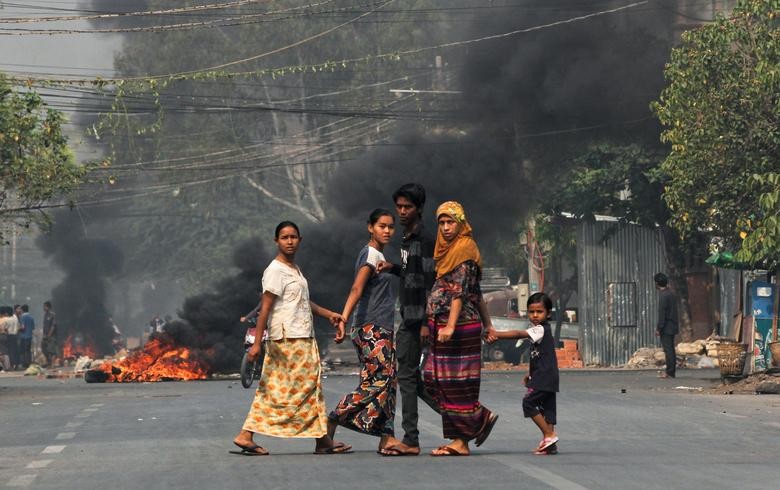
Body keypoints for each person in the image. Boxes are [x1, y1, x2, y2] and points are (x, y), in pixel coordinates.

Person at [232, 221, 351, 456]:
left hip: (302, 337)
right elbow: (265, 308)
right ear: (276, 241)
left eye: (293, 237)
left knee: (310, 388)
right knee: (280, 390)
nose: (289, 241)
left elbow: (303, 302)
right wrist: (257, 343)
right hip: (288, 340)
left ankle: (322, 440)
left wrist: (329, 314)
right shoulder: (275, 270)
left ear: (300, 240)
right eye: (284, 237)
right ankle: (246, 434)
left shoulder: (294, 269)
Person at [424, 201, 498, 456]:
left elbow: (460, 292)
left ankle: (462, 440)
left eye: (450, 222)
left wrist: (451, 325)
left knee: (456, 383)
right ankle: (476, 420)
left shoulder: (465, 249)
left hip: (458, 327)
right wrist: (489, 324)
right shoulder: (447, 251)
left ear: (460, 223)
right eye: (441, 223)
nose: (445, 228)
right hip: (443, 325)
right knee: (434, 378)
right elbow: (477, 294)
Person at [328, 209, 402, 454]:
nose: (387, 231)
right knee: (379, 380)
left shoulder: (380, 255)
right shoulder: (370, 253)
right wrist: (343, 318)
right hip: (371, 328)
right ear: (370, 227)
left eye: (391, 226)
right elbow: (356, 289)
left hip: (381, 327)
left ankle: (387, 437)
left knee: (388, 381)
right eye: (382, 226)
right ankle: (333, 418)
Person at [376, 183, 439, 456]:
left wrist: (425, 321)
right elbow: (411, 272)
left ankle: (411, 439)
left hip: (417, 318)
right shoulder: (408, 237)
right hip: (410, 314)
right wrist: (393, 268)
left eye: (407, 207)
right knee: (409, 377)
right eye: (399, 206)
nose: (401, 212)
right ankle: (469, 418)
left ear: (419, 209)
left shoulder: (424, 238)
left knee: (407, 376)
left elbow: (429, 281)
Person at [488, 292, 560, 455]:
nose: (534, 315)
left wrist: (496, 334)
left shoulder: (541, 329)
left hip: (544, 375)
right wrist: (530, 375)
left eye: (539, 312)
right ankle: (550, 444)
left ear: (548, 313)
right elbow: (538, 357)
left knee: (528, 403)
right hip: (548, 375)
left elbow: (518, 334)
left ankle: (549, 435)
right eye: (531, 312)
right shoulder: (540, 330)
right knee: (547, 408)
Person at [654, 272, 679, 379]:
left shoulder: (663, 296)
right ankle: (671, 371)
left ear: (657, 283)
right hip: (673, 324)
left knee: (668, 350)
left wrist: (659, 328)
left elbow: (662, 314)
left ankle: (670, 372)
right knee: (671, 350)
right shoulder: (671, 294)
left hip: (666, 326)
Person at [42, 301, 58, 368]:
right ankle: (48, 363)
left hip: (51, 336)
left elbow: (53, 326)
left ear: (48, 307)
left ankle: (52, 364)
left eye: (44, 306)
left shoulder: (52, 315)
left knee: (52, 350)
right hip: (45, 335)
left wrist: (49, 334)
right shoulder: (45, 315)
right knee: (45, 349)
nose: (43, 308)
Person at [4, 305, 20, 370]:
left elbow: (5, 329)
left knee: (10, 351)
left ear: (7, 313)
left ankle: (12, 365)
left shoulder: (7, 320)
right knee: (15, 351)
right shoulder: (15, 318)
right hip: (15, 336)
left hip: (9, 336)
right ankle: (16, 365)